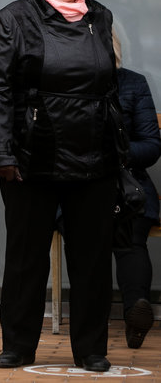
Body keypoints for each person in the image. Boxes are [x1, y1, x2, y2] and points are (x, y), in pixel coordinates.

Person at [0, 0, 118, 373]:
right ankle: (18, 346)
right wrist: (1, 154)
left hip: (93, 156)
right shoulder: (14, 19)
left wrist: (115, 148)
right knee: (25, 258)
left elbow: (108, 87)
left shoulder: (100, 16)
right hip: (31, 156)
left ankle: (91, 350)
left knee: (92, 259)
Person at [111, 31, 160, 350]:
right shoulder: (62, 84)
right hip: (75, 184)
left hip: (127, 185)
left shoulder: (132, 83)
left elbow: (152, 146)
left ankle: (136, 313)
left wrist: (117, 153)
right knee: (91, 234)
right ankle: (130, 307)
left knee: (128, 232)